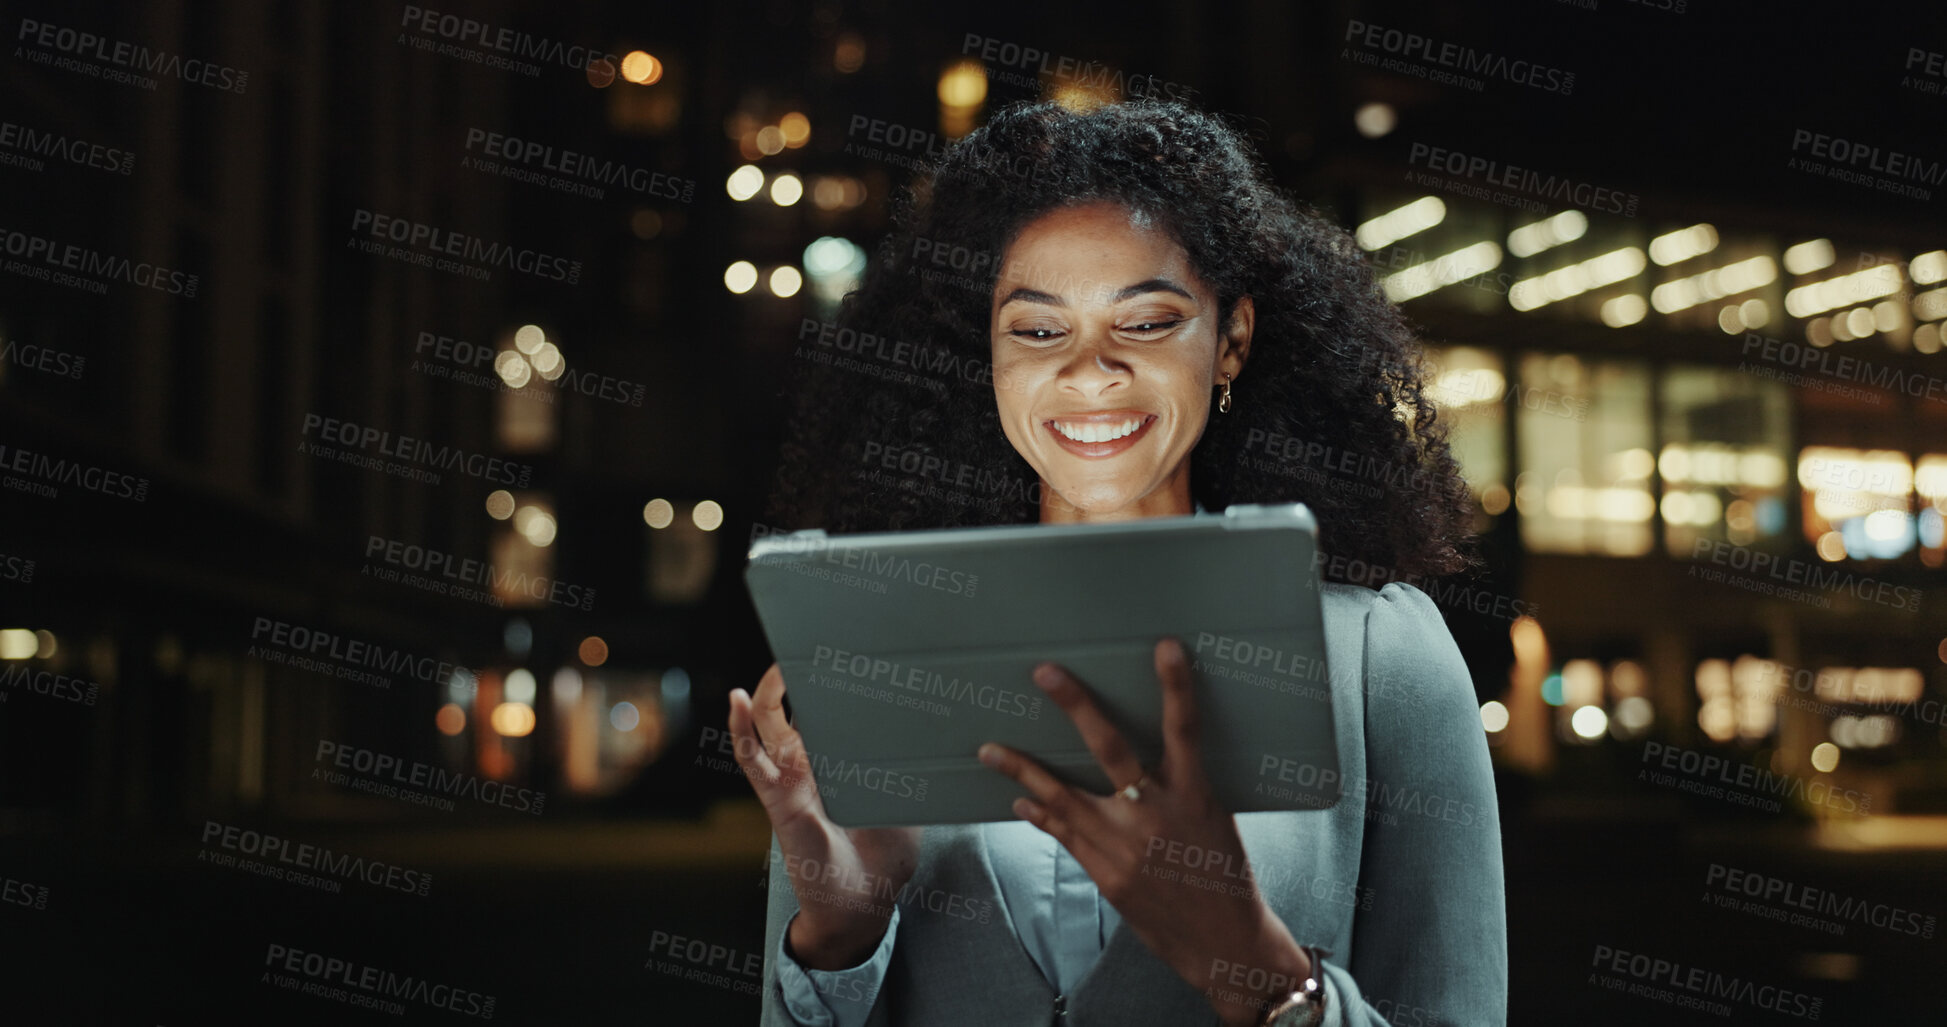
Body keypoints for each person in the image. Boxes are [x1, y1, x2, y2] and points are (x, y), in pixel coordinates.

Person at [730, 98, 1506, 1026]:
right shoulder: (874, 637)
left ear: (1231, 341)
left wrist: (1256, 969)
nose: (1090, 372)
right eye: (1036, 329)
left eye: (1144, 322)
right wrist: (842, 938)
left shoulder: (1381, 656)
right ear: (984, 355)